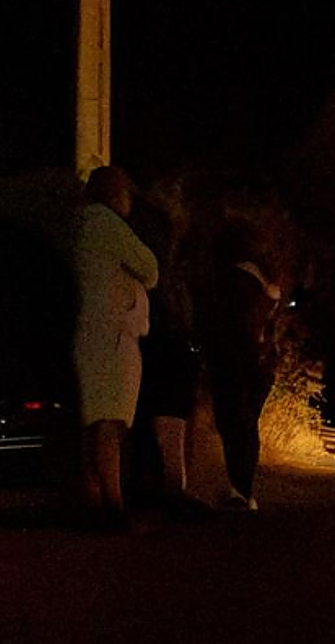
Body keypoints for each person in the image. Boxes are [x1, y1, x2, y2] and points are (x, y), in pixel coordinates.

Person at [71, 165, 159, 530]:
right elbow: (150, 268)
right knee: (110, 421)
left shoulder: (77, 225)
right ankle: (114, 506)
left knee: (91, 422)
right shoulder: (108, 225)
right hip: (112, 336)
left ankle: (94, 501)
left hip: (85, 333)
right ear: (113, 194)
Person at [130, 178, 205, 517]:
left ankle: (162, 487)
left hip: (155, 331)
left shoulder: (147, 229)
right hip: (163, 332)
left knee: (156, 414)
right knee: (170, 413)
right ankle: (172, 489)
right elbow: (162, 282)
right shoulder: (158, 234)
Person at [200, 226, 283, 510]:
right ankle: (243, 488)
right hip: (262, 360)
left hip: (237, 358)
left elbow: (233, 324)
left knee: (234, 421)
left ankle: (237, 487)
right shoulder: (267, 280)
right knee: (247, 423)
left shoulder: (235, 280)